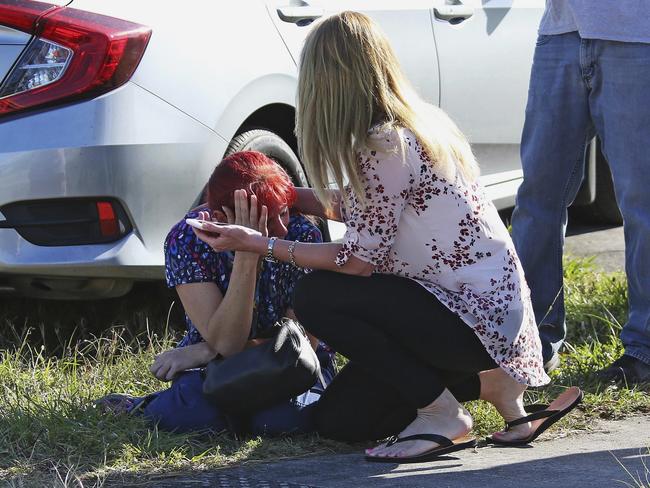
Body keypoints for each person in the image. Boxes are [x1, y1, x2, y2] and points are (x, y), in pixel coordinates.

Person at [193, 12, 582, 462]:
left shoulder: (384, 146)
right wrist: (285, 195)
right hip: (469, 315)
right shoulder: (412, 125)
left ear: (331, 82)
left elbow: (358, 261)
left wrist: (260, 245)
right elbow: (373, 209)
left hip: (472, 322)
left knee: (318, 293)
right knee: (342, 422)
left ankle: (441, 414)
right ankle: (489, 385)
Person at [97, 151, 335, 435]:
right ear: (223, 217)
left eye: (284, 212)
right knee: (196, 415)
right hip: (222, 364)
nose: (282, 228)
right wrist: (249, 255)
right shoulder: (186, 240)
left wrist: (205, 350)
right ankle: (146, 405)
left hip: (292, 361)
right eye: (267, 219)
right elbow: (227, 342)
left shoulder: (302, 235)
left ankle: (232, 414)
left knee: (285, 421)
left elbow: (300, 341)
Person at [511, 1, 650, 383]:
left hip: (638, 36)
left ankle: (645, 351)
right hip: (561, 31)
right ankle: (531, 341)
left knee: (642, 203)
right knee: (537, 199)